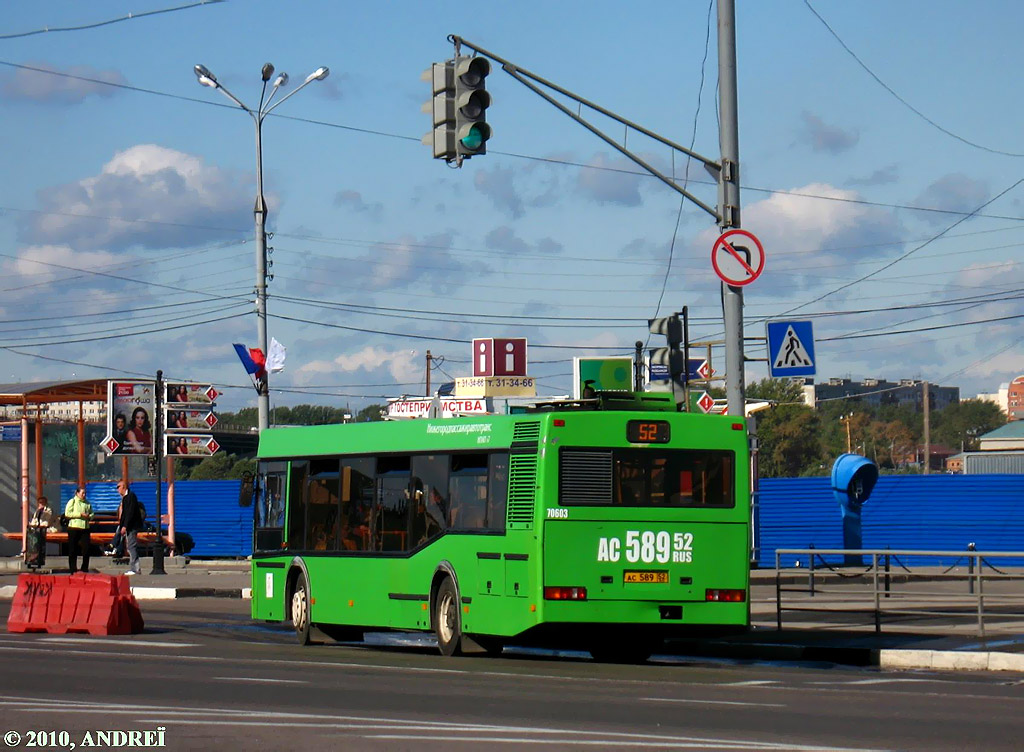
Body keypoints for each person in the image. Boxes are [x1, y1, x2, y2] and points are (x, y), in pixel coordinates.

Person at [116, 480, 143, 575]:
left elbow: (129, 513)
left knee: (131, 546)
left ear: (123, 487)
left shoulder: (131, 496)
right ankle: (133, 568)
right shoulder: (124, 498)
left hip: (131, 526)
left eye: (118, 487)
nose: (117, 490)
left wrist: (125, 526)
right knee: (129, 546)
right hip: (127, 526)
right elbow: (124, 514)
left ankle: (135, 569)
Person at [64, 487, 93, 574]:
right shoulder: (72, 501)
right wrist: (80, 514)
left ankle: (84, 568)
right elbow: (67, 514)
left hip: (85, 528)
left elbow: (92, 513)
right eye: (82, 493)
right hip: (74, 527)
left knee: (86, 549)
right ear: (77, 493)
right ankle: (73, 568)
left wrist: (89, 516)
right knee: (73, 549)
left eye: (85, 493)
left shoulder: (87, 503)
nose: (84, 495)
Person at [27, 496, 54, 568]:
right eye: (40, 503)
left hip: (46, 529)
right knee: (33, 542)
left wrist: (38, 525)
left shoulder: (48, 510)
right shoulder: (37, 510)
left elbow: (47, 521)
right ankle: (33, 559)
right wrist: (33, 525)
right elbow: (34, 519)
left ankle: (39, 559)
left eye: (42, 502)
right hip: (37, 529)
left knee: (40, 543)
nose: (41, 504)